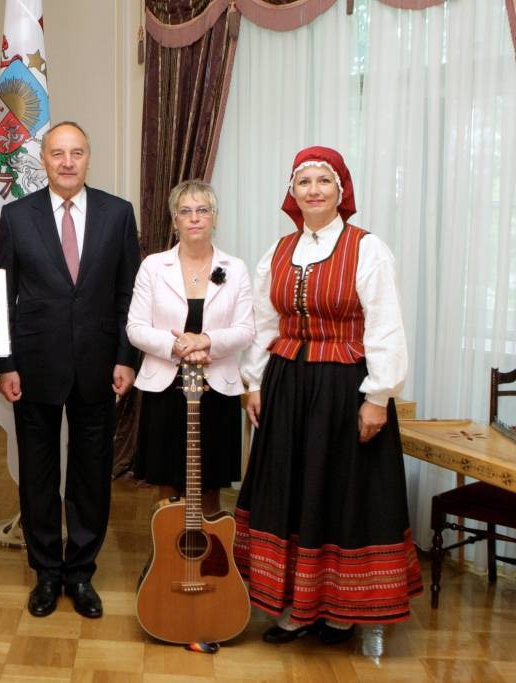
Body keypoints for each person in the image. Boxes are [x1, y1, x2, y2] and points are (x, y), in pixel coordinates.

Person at [234, 146, 423, 645]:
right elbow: (263, 324)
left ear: (341, 191)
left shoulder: (367, 249)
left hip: (344, 389)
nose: (313, 190)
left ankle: (339, 610)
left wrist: (378, 396)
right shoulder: (276, 252)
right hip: (287, 385)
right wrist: (252, 384)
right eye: (304, 182)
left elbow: (385, 326)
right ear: (292, 193)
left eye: (324, 181)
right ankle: (295, 609)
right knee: (291, 490)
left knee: (339, 493)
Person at [0, 121, 140, 619]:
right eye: (58, 153)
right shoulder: (16, 218)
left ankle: (80, 572)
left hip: (100, 366)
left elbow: (128, 296)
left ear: (88, 158)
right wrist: (5, 364)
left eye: (77, 152)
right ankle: (45, 572)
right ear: (45, 159)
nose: (67, 161)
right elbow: (1, 297)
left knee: (90, 475)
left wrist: (125, 356)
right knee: (37, 474)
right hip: (33, 367)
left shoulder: (119, 214)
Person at [126, 180, 254, 512]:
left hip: (216, 389)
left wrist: (207, 340)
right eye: (185, 211)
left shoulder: (235, 269)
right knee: (166, 483)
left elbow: (245, 330)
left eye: (202, 210)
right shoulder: (153, 267)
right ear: (174, 220)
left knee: (209, 485)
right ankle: (166, 558)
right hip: (165, 387)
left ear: (214, 218)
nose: (194, 218)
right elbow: (136, 328)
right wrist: (178, 345)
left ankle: (208, 558)